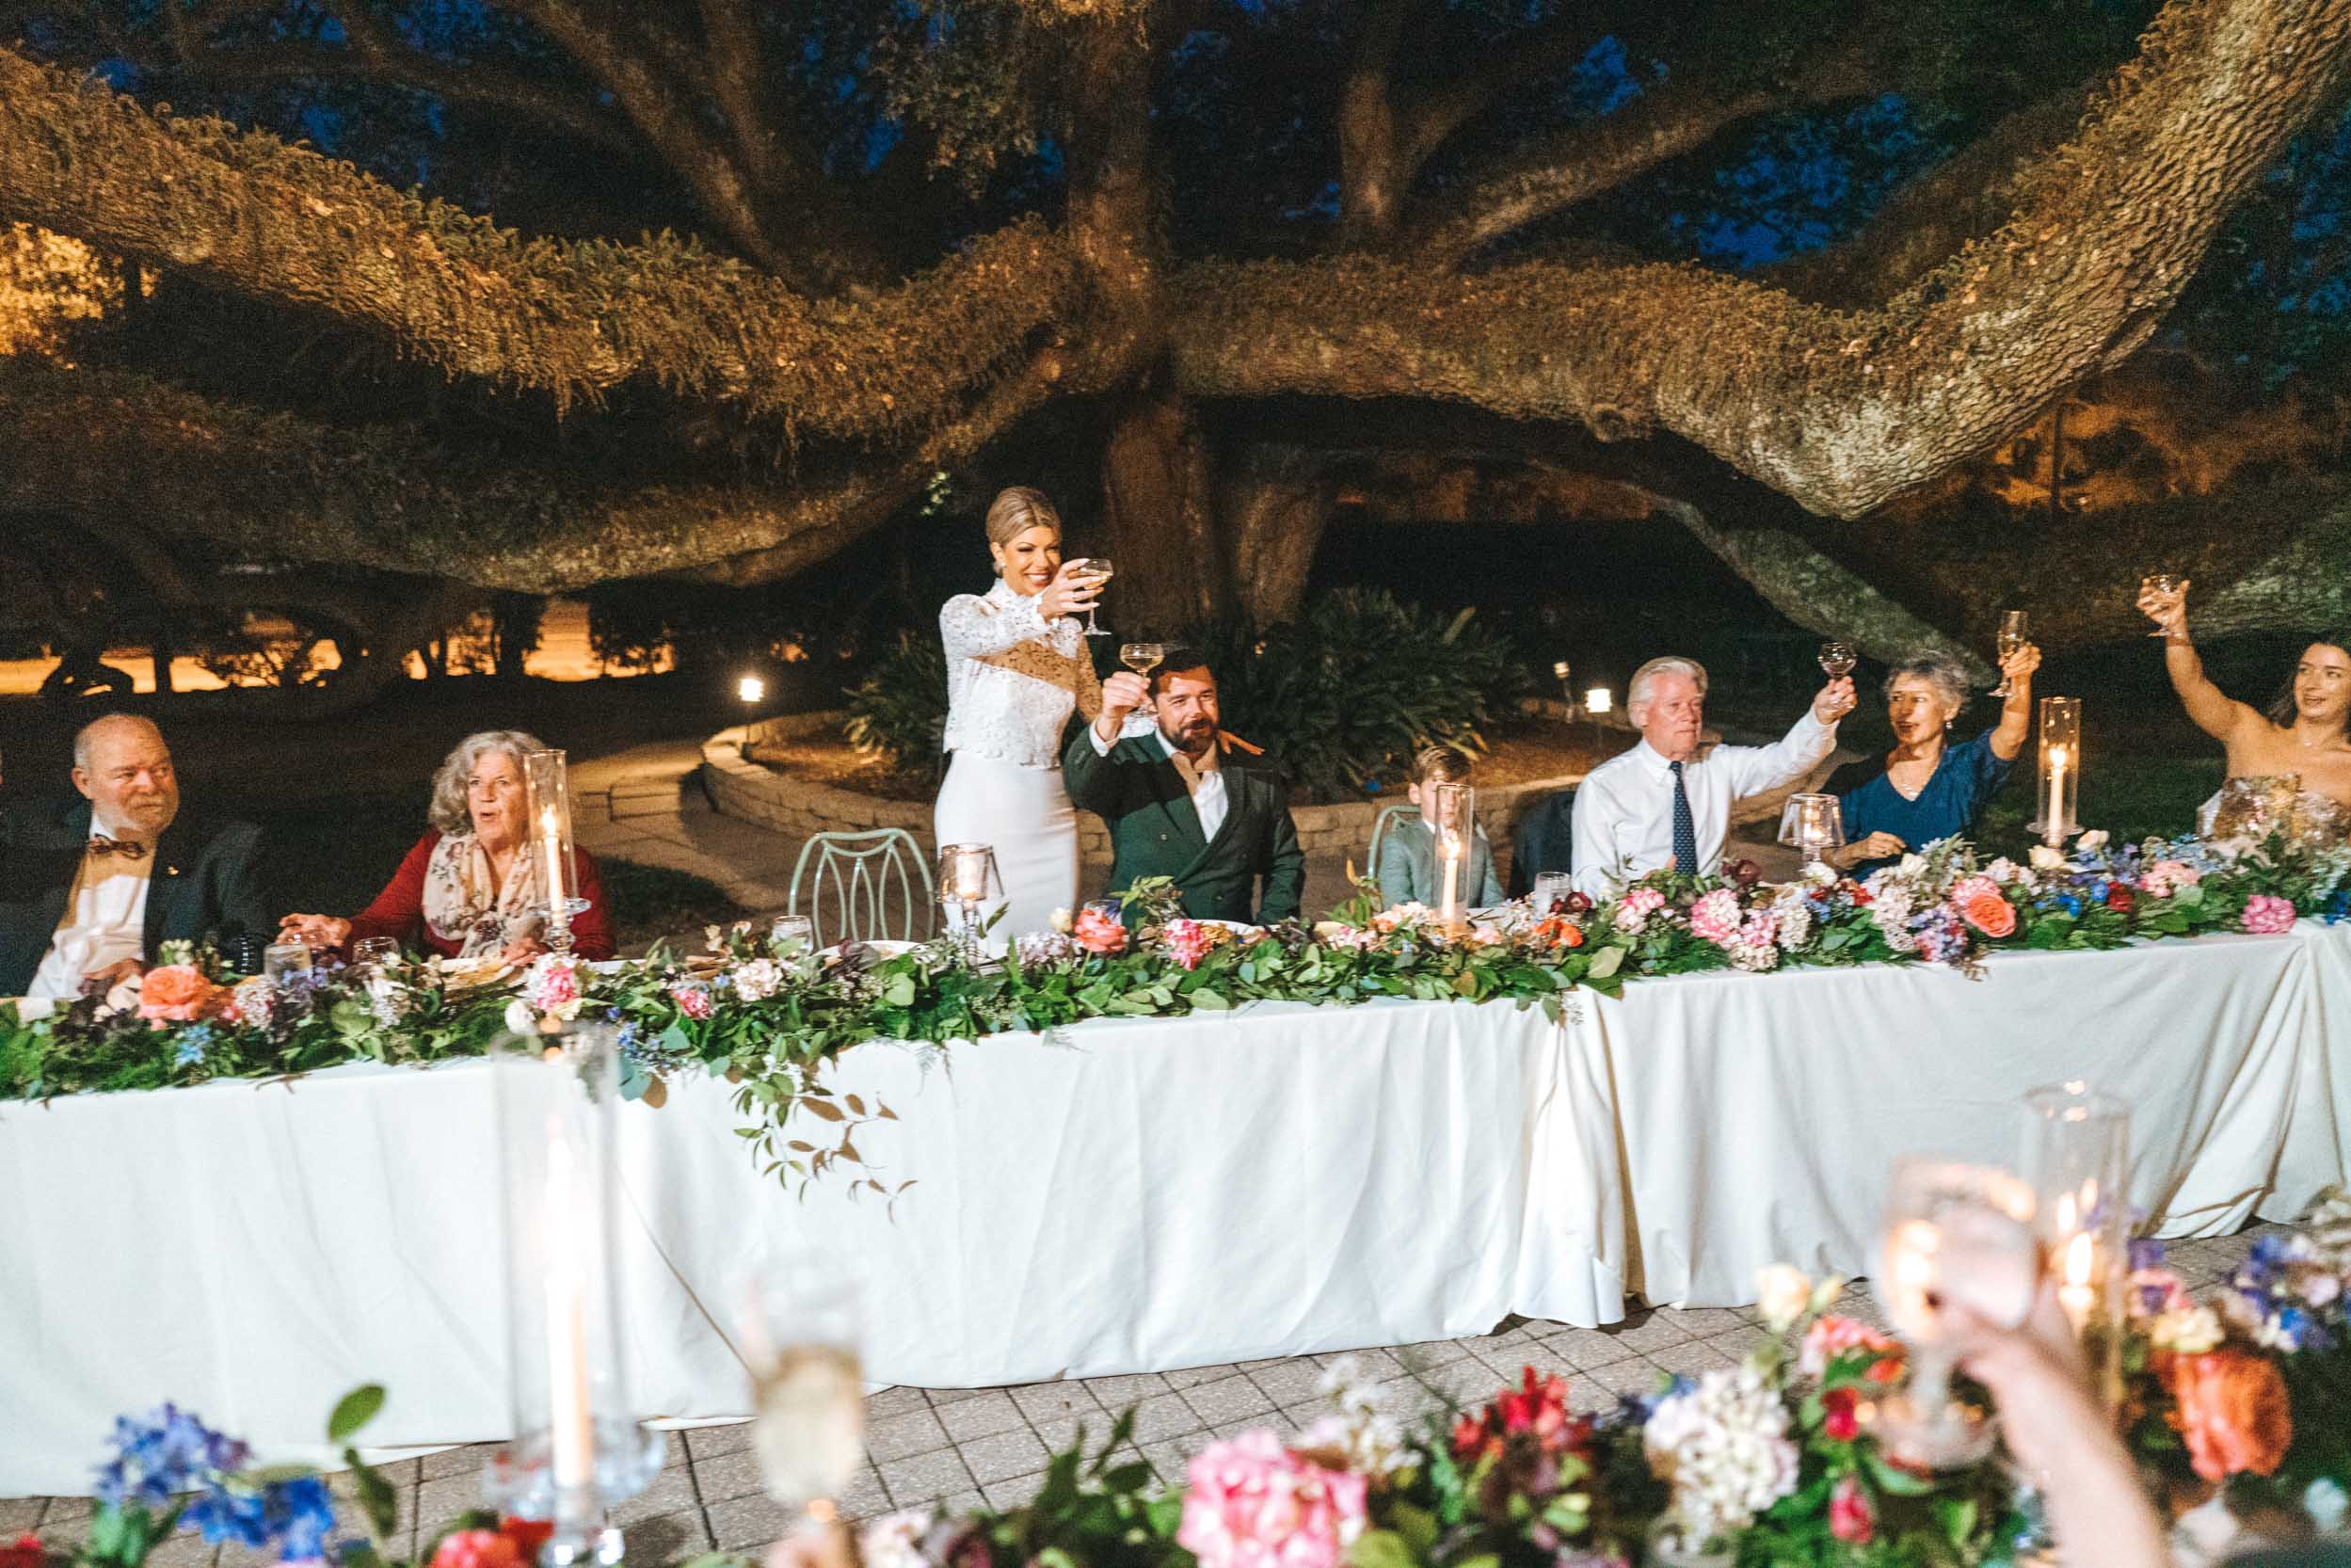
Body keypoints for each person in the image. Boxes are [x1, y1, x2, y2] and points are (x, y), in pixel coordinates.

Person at [933, 486, 1111, 946]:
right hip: (978, 810)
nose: (1043, 562)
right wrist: (1043, 607)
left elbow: (1098, 710)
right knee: (982, 948)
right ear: (998, 551)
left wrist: (1175, 720)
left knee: (1051, 947)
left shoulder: (1070, 630)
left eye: (1052, 548)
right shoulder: (966, 612)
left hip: (1050, 811)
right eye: (1026, 549)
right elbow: (990, 636)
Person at [278, 729, 615, 962]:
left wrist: (544, 956)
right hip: (449, 1006)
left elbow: (596, 947)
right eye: (475, 783)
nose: (485, 795)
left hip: (533, 1003)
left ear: (532, 794)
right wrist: (341, 930)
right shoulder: (433, 854)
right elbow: (382, 925)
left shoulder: (567, 861)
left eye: (503, 783)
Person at [0, 714, 271, 999]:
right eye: (127, 775)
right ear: (85, 783)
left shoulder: (226, 847)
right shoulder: (29, 832)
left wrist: (158, 975)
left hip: (140, 1022)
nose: (151, 786)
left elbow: (251, 951)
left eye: (161, 769)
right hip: (22, 1013)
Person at [1570, 655, 1854, 897]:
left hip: (1714, 921)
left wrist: (1821, 718)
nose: (1690, 716)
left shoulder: (1719, 763)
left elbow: (1786, 762)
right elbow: (1589, 876)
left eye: (1695, 704)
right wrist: (1636, 893)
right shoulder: (1604, 786)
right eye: (1675, 706)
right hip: (1640, 931)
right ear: (1641, 714)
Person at [1063, 648, 1305, 924]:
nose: (1197, 712)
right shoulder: (1128, 763)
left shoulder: (1254, 771)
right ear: (1152, 708)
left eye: (1206, 696)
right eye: (1179, 701)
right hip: (1143, 948)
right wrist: (1108, 719)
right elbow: (1081, 789)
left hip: (1231, 947)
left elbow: (1283, 861)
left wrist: (1272, 931)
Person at [2141, 581, 2351, 844]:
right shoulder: (2248, 731)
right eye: (2304, 670)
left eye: (2332, 674)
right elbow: (2191, 685)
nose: (2311, 684)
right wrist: (2175, 627)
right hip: (2217, 882)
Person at [1821, 644, 2039, 878]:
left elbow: (2013, 735)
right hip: (1866, 911)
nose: (1904, 710)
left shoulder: (1966, 767)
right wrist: (1857, 850)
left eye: (1919, 699)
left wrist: (2021, 677)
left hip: (1945, 911)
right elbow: (1822, 857)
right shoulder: (1855, 779)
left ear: (1950, 709)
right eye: (1897, 698)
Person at [1378, 745, 1506, 908]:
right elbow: (1397, 907)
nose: (1450, 801)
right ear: (1415, 794)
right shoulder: (1400, 844)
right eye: (1439, 791)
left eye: (1458, 792)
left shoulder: (1478, 847)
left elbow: (1494, 905)